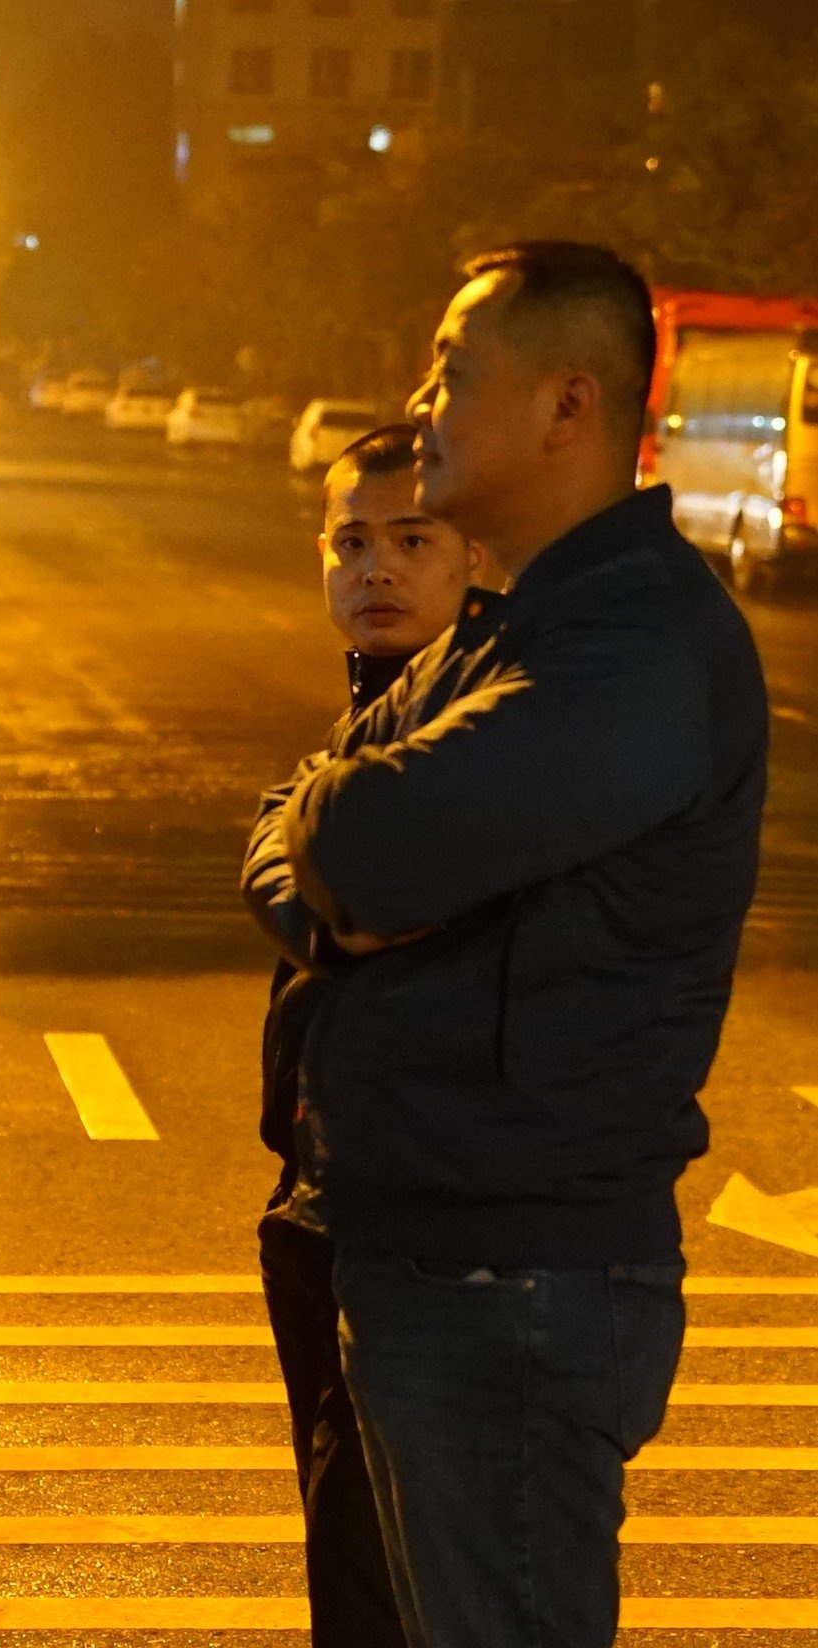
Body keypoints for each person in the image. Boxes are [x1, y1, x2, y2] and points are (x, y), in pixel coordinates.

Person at [254, 243, 768, 1648]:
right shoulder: (512, 633)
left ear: (567, 406)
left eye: (453, 371)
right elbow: (299, 824)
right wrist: (333, 885)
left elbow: (356, 838)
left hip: (515, 1285)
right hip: (437, 1257)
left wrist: (334, 863)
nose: (421, 402)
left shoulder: (631, 645)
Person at [244, 423, 482, 1648]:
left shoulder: (487, 731)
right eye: (350, 543)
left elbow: (366, 888)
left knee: (394, 1565)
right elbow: (279, 858)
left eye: (410, 538)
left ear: (470, 556)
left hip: (422, 1211)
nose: (375, 567)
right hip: (318, 1194)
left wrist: (303, 879)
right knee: (347, 1548)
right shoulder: (348, 734)